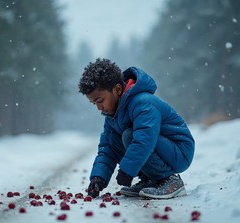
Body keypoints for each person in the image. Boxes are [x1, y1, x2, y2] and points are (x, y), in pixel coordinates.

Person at [78, 58, 195, 199]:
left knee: (129, 135)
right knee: (113, 139)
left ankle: (168, 180)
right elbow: (107, 148)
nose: (98, 107)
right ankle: (149, 179)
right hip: (159, 148)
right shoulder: (112, 116)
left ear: (117, 89)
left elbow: (145, 140)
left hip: (180, 151)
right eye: (93, 103)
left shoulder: (143, 103)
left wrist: (127, 170)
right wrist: (98, 177)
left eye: (100, 101)